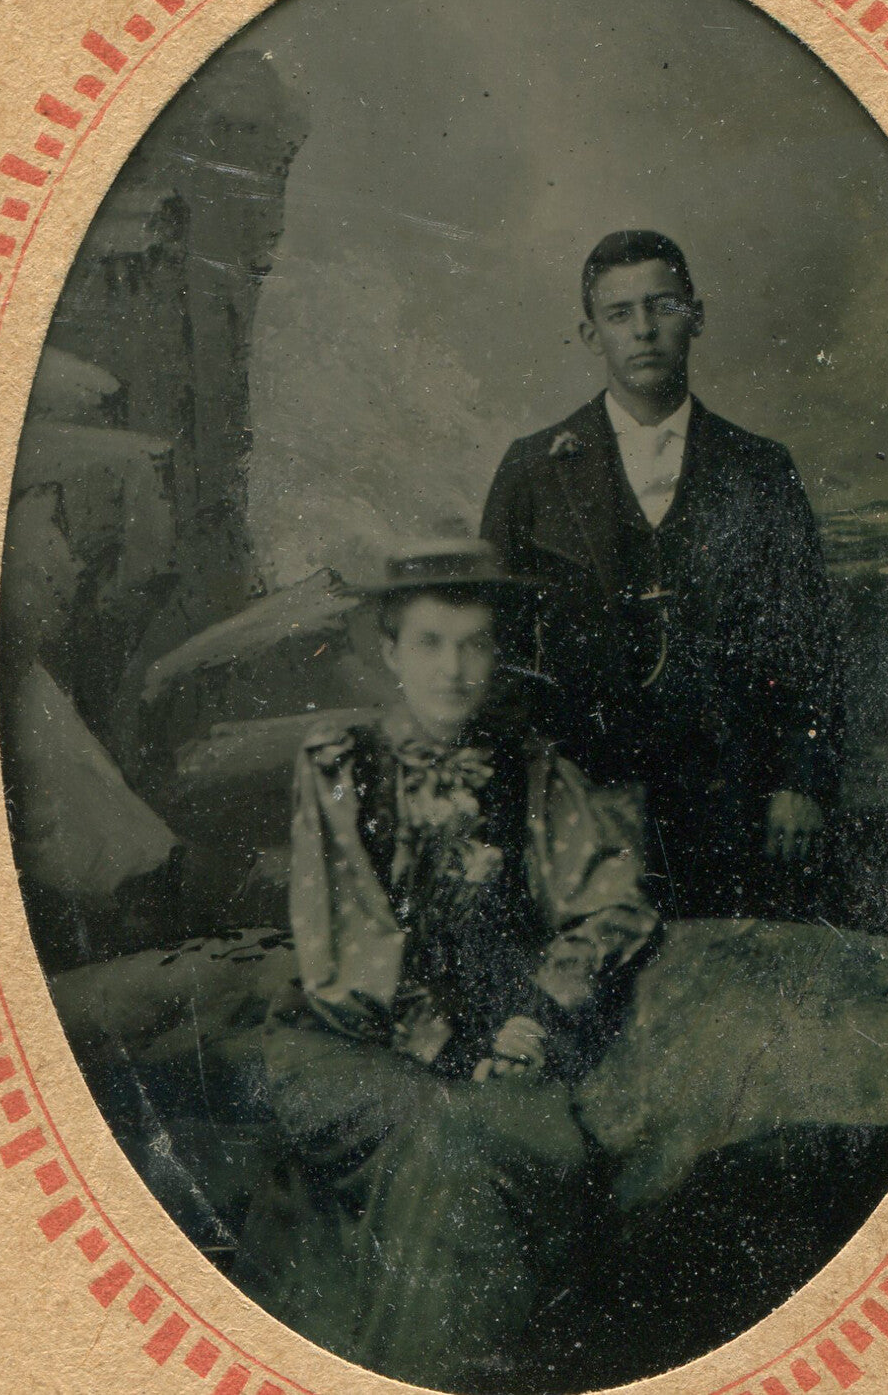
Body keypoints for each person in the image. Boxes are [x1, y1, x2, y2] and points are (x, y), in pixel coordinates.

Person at [232, 539, 659, 1392]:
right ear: (390, 651)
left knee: (485, 1135)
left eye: (476, 645)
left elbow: (614, 898)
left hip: (506, 1042)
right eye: (431, 643)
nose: (455, 669)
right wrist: (452, 1050)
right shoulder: (336, 767)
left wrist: (535, 1018)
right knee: (442, 1132)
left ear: (499, 654)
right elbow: (347, 943)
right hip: (345, 1041)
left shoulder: (535, 772)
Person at [482, 229, 841, 915]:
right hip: (583, 804)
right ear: (592, 336)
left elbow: (809, 638)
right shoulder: (532, 471)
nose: (643, 331)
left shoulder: (759, 468)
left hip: (734, 799)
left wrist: (803, 779)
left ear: (696, 316)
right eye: (620, 315)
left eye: (662, 307)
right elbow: (494, 652)